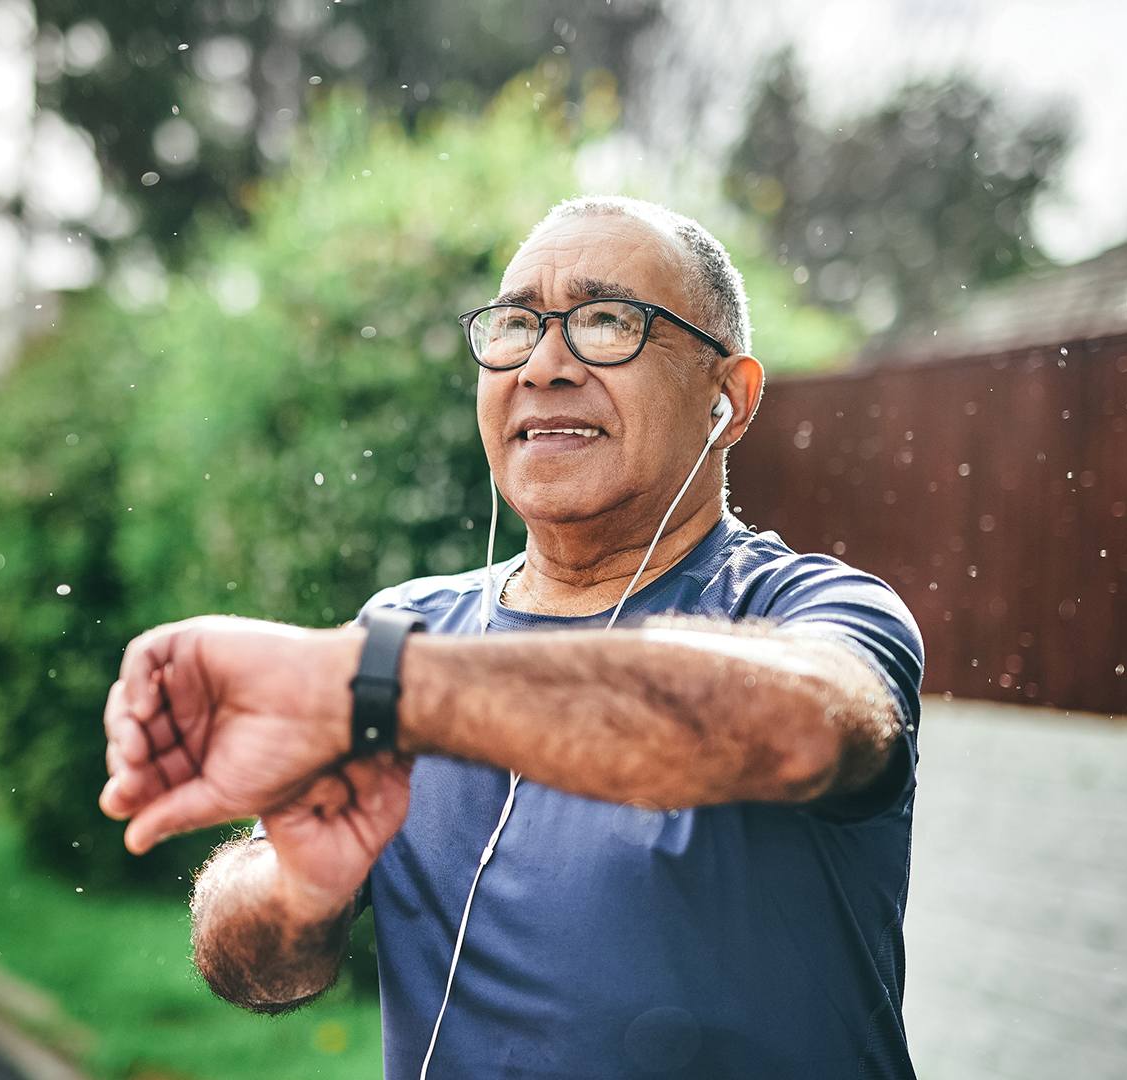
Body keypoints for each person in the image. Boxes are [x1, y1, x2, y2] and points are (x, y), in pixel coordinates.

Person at [99, 195, 925, 1079]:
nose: (545, 363)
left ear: (729, 396)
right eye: (515, 325)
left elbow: (798, 728)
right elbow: (257, 969)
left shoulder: (811, 611)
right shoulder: (405, 629)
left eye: (609, 321)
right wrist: (299, 891)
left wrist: (383, 686)